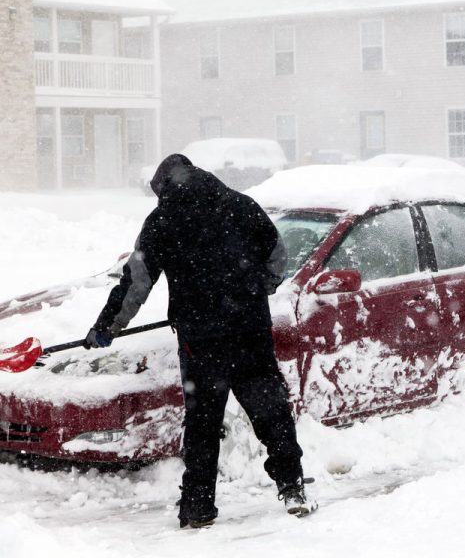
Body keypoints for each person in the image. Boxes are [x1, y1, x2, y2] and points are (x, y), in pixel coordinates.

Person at [83, 154, 317, 527]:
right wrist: (255, 289)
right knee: (271, 411)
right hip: (249, 331)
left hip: (201, 340)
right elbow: (277, 257)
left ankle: (197, 508)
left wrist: (107, 327)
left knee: (203, 425)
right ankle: (292, 487)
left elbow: (137, 281)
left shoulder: (162, 220)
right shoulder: (242, 205)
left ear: (163, 188)